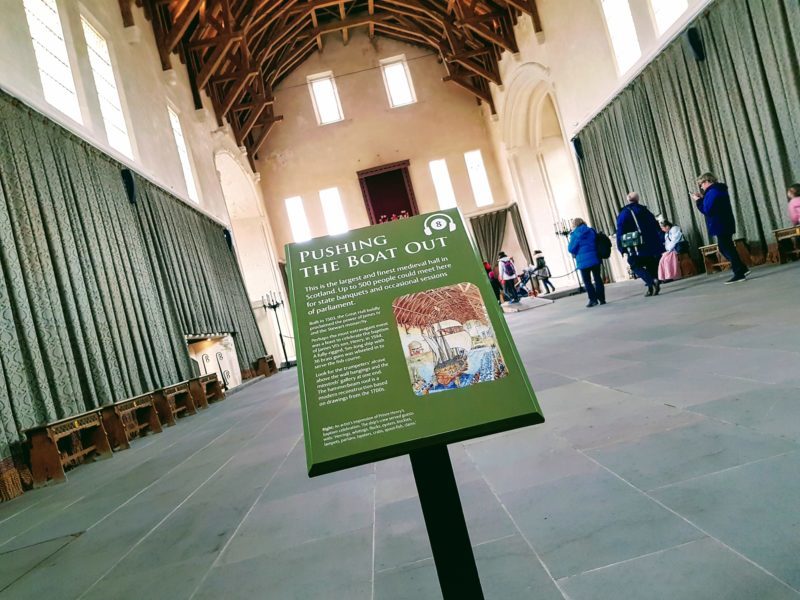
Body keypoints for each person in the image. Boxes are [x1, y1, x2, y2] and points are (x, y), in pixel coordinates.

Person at [691, 172, 748, 284]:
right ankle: (742, 269)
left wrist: (698, 201)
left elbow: (707, 210)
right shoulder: (716, 190)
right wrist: (703, 198)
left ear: (707, 181)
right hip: (724, 222)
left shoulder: (713, 191)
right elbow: (710, 205)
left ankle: (739, 273)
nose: (701, 187)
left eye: (701, 184)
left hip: (721, 223)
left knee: (725, 247)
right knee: (726, 247)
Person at [616, 192, 664, 296]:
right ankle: (652, 286)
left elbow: (620, 230)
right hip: (651, 244)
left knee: (634, 265)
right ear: (638, 199)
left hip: (635, 245)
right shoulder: (645, 210)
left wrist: (621, 247)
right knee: (651, 264)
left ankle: (652, 282)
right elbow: (655, 225)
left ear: (628, 200)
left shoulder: (625, 213)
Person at [568, 218, 605, 307]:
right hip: (594, 258)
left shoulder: (574, 234)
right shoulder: (591, 231)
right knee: (598, 279)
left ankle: (593, 300)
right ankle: (602, 299)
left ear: (574, 225)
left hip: (583, 261)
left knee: (587, 281)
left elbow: (571, 248)